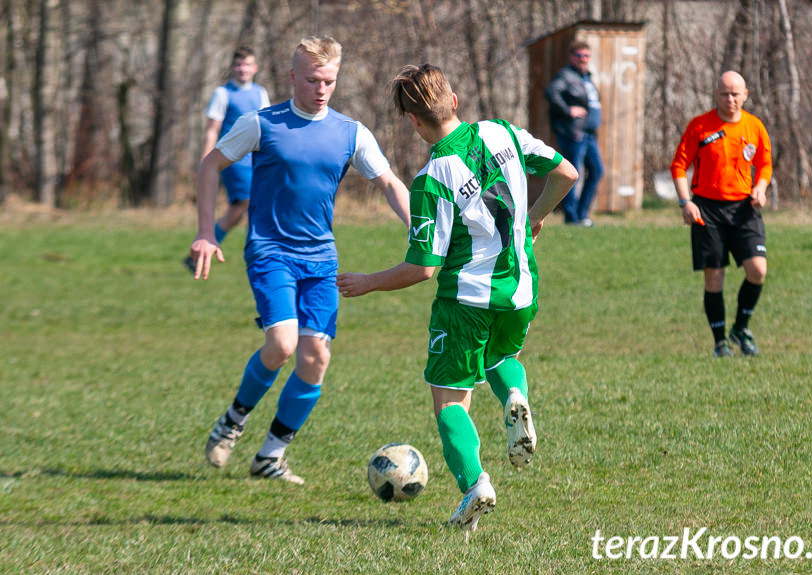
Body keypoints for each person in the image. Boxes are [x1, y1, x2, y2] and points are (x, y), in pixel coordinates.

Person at [336, 64, 578, 532]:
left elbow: (423, 268)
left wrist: (368, 281)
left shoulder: (432, 178)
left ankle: (475, 484)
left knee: (449, 402)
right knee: (502, 355)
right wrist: (532, 220)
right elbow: (566, 173)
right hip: (521, 287)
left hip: (465, 300)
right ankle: (514, 394)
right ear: (455, 100)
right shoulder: (501, 132)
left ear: (413, 122)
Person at [189, 36, 410, 483]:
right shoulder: (262, 124)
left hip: (320, 257)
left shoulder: (350, 132)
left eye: (328, 80)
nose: (321, 88)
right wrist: (207, 232)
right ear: (293, 77)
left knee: (315, 359)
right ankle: (233, 420)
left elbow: (388, 181)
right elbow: (209, 166)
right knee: (283, 345)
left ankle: (270, 455)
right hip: (271, 250)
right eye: (312, 80)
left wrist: (418, 226)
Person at [670, 70, 772, 358]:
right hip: (707, 210)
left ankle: (740, 327)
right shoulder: (700, 127)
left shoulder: (754, 126)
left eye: (735, 94)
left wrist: (761, 187)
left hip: (744, 209)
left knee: (758, 270)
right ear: (716, 95)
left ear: (745, 94)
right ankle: (720, 342)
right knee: (714, 277)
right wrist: (685, 202)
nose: (730, 99)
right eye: (724, 94)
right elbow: (679, 166)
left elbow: (765, 163)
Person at [185, 47, 270, 272]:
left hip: (257, 159)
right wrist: (207, 160)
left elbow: (266, 128)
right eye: (239, 65)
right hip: (234, 160)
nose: (243, 69)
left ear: (255, 68)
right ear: (232, 68)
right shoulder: (222, 94)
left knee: (238, 209)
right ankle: (259, 252)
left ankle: (203, 247)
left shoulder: (260, 92)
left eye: (247, 64)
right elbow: (212, 129)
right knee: (250, 202)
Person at [545, 39, 604, 227]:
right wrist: (568, 110)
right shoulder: (566, 76)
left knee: (596, 171)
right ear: (572, 57)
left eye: (586, 56)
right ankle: (571, 217)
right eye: (579, 56)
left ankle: (582, 214)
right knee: (573, 174)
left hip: (589, 135)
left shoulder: (586, 77)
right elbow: (551, 93)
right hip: (574, 134)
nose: (583, 59)